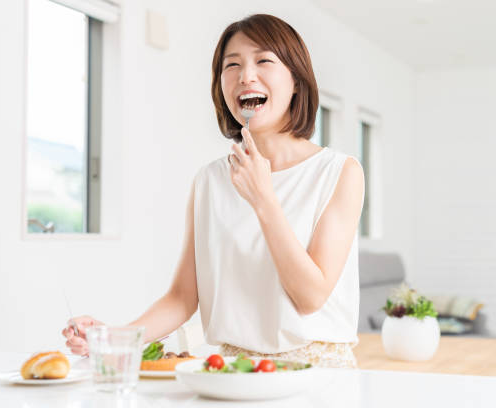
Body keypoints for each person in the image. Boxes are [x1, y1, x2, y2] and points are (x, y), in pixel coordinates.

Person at [62, 13, 364, 368]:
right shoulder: (209, 181)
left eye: (263, 60)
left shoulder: (338, 172)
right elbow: (183, 297)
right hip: (232, 373)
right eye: (231, 65)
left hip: (318, 376)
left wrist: (264, 200)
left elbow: (311, 296)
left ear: (296, 81)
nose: (245, 75)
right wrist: (113, 338)